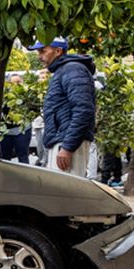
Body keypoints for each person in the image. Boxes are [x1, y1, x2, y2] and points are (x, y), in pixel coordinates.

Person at [32, 37, 96, 177]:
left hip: (68, 142)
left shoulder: (72, 69)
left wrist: (67, 147)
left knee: (66, 195)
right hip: (64, 140)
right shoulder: (65, 70)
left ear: (58, 51)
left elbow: (83, 109)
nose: (39, 56)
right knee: (60, 194)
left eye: (43, 51)